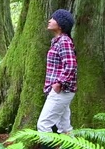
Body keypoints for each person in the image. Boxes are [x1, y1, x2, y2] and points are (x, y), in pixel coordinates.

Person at [37, 9, 77, 145]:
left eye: (53, 19)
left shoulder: (64, 41)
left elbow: (71, 65)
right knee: (65, 127)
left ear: (60, 24)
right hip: (61, 91)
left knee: (43, 125)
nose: (49, 20)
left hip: (62, 90)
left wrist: (59, 83)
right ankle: (75, 146)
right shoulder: (57, 41)